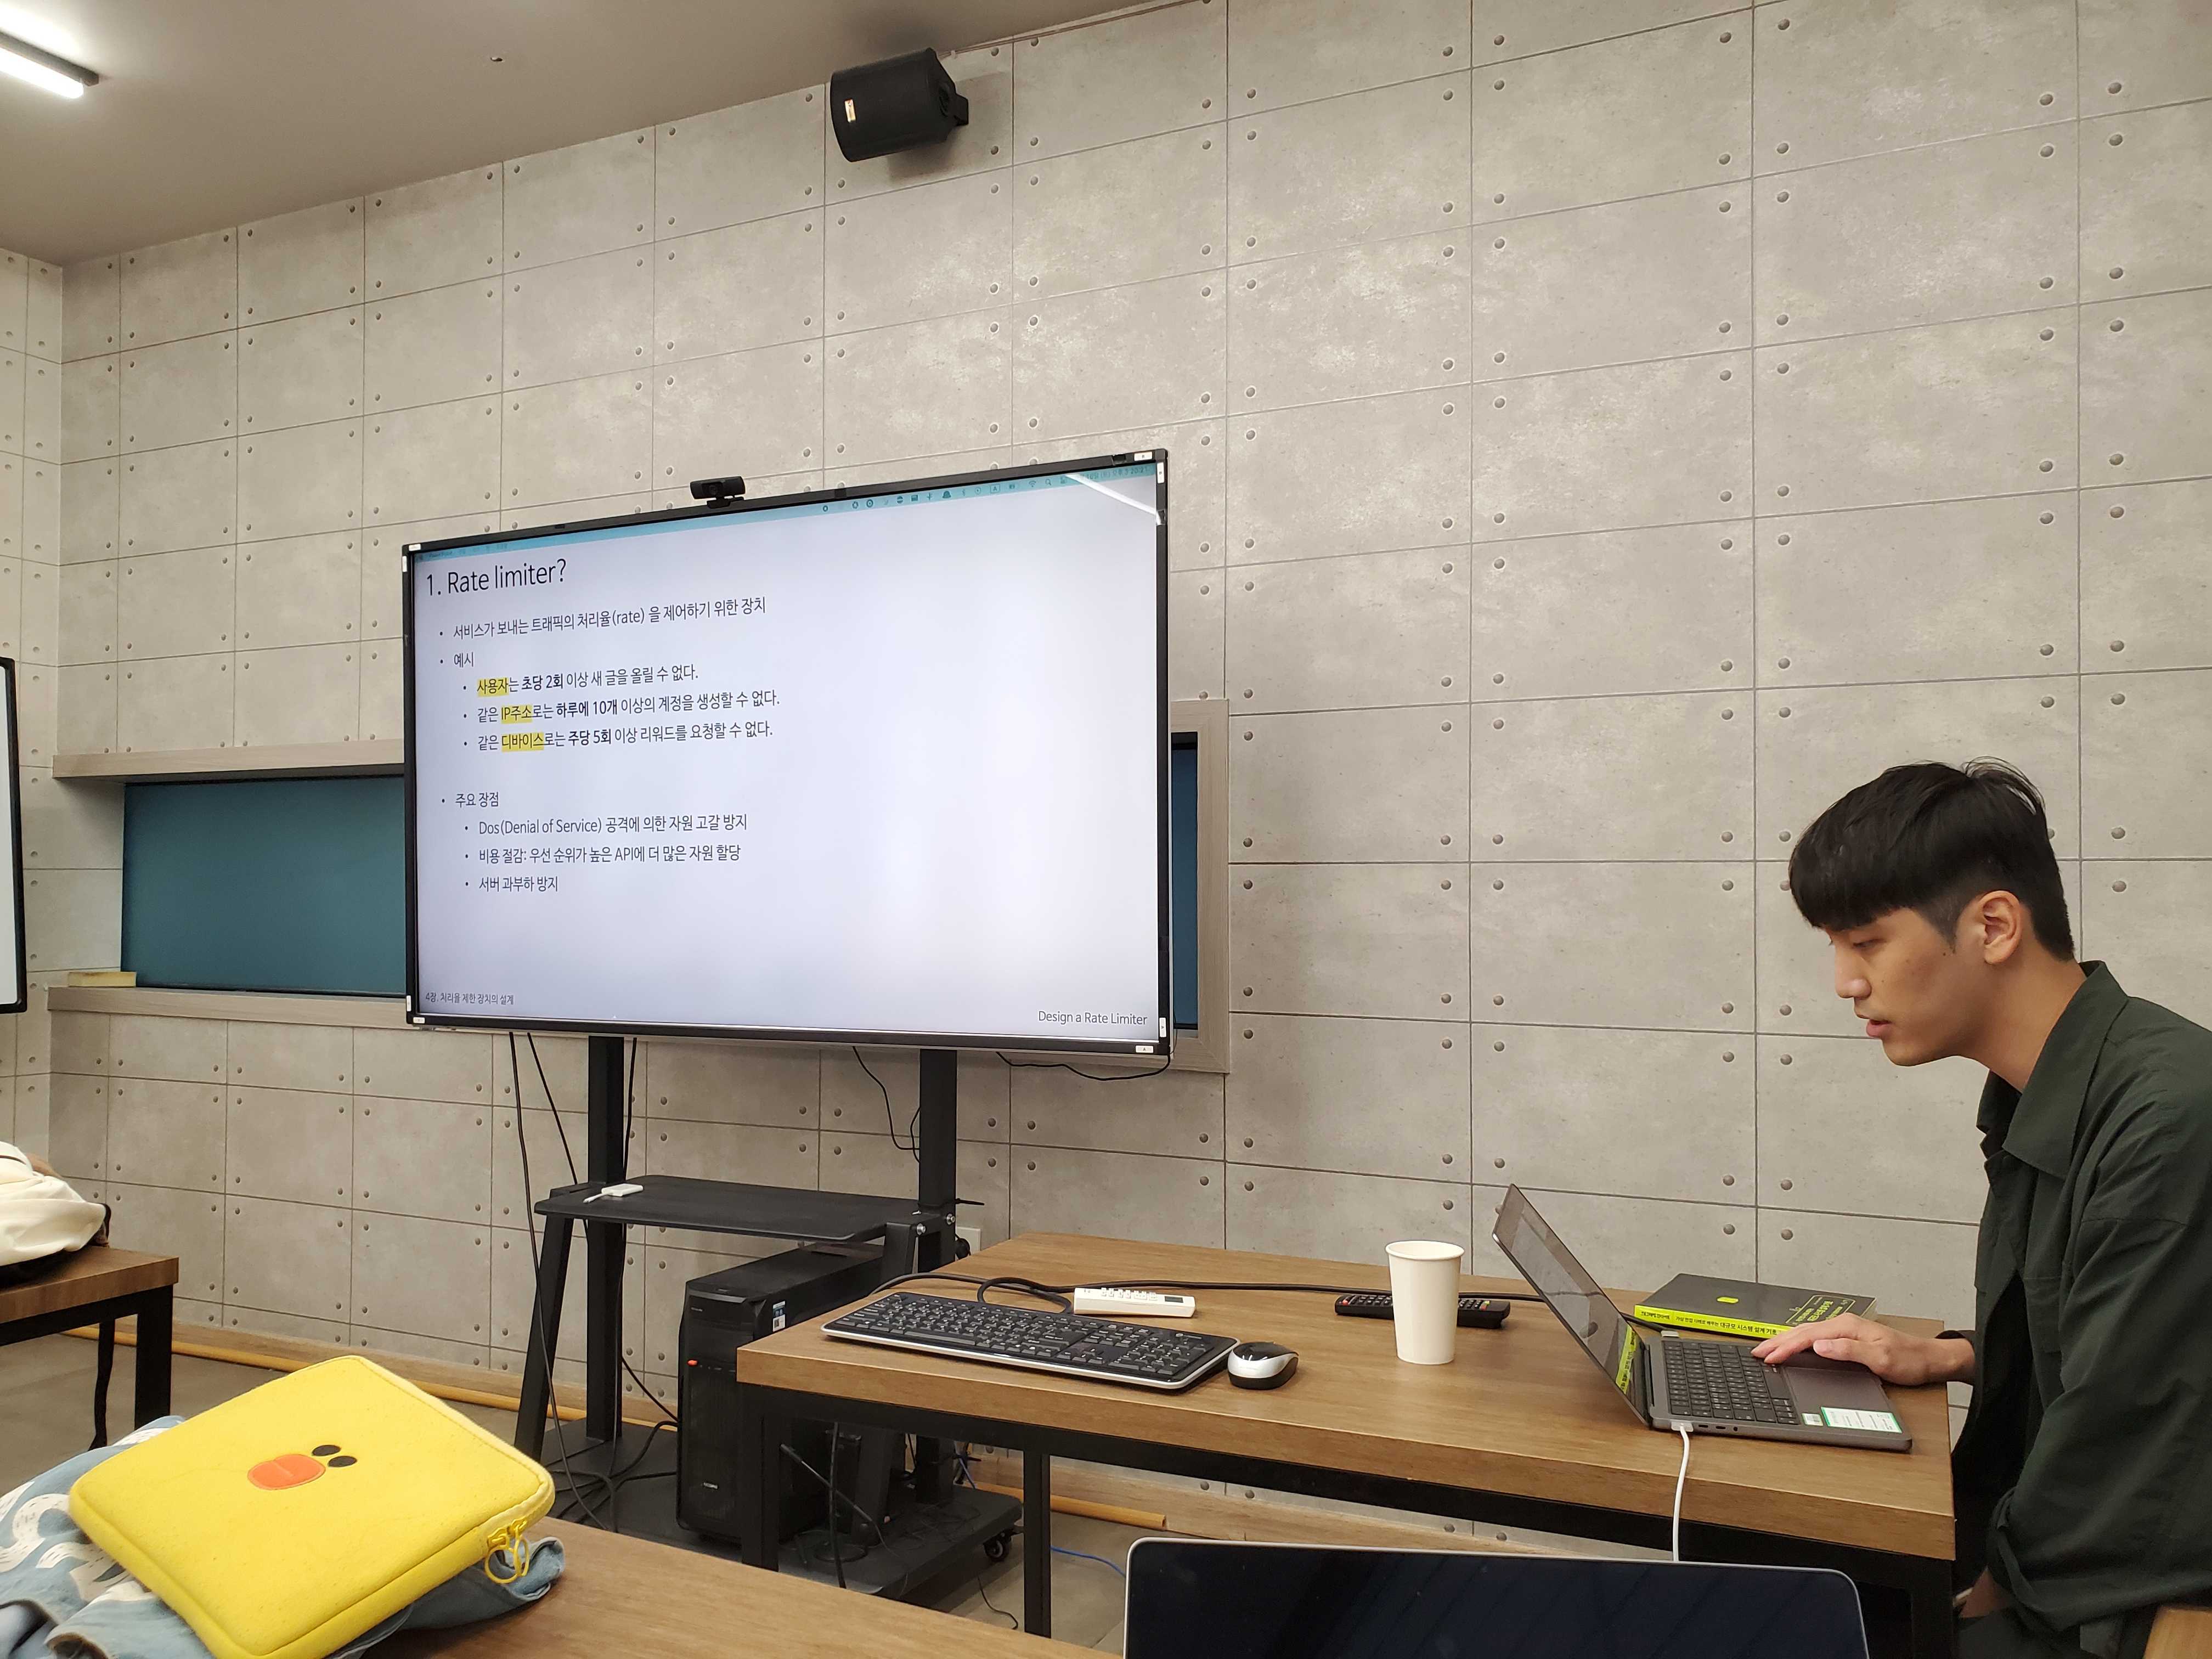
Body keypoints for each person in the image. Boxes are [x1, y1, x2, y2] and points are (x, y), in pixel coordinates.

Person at [1750, 760, 2212, 1658]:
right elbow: (2117, 1339)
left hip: (2127, 1604)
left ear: (1994, 926)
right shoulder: (2054, 1089)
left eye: (1867, 942)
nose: (1845, 982)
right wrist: (1955, 1355)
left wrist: (1977, 1595)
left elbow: (2129, 1448)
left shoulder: (2166, 1116)